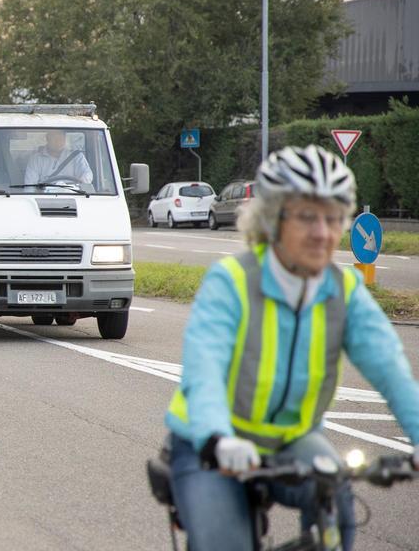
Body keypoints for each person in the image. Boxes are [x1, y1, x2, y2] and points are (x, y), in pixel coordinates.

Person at [164, 145, 419, 551]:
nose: (322, 232)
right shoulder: (232, 282)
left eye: (333, 218)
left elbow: (391, 370)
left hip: (290, 440)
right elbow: (204, 370)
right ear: (272, 220)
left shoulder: (344, 291)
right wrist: (216, 438)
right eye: (306, 217)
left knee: (337, 504)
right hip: (209, 445)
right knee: (224, 543)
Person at [21, 129, 93, 187]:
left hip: (73, 194)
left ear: (65, 139)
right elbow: (30, 185)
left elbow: (87, 174)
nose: (58, 141)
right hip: (44, 196)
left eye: (61, 138)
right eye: (54, 138)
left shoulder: (76, 156)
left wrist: (82, 182)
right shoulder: (36, 159)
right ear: (48, 138)